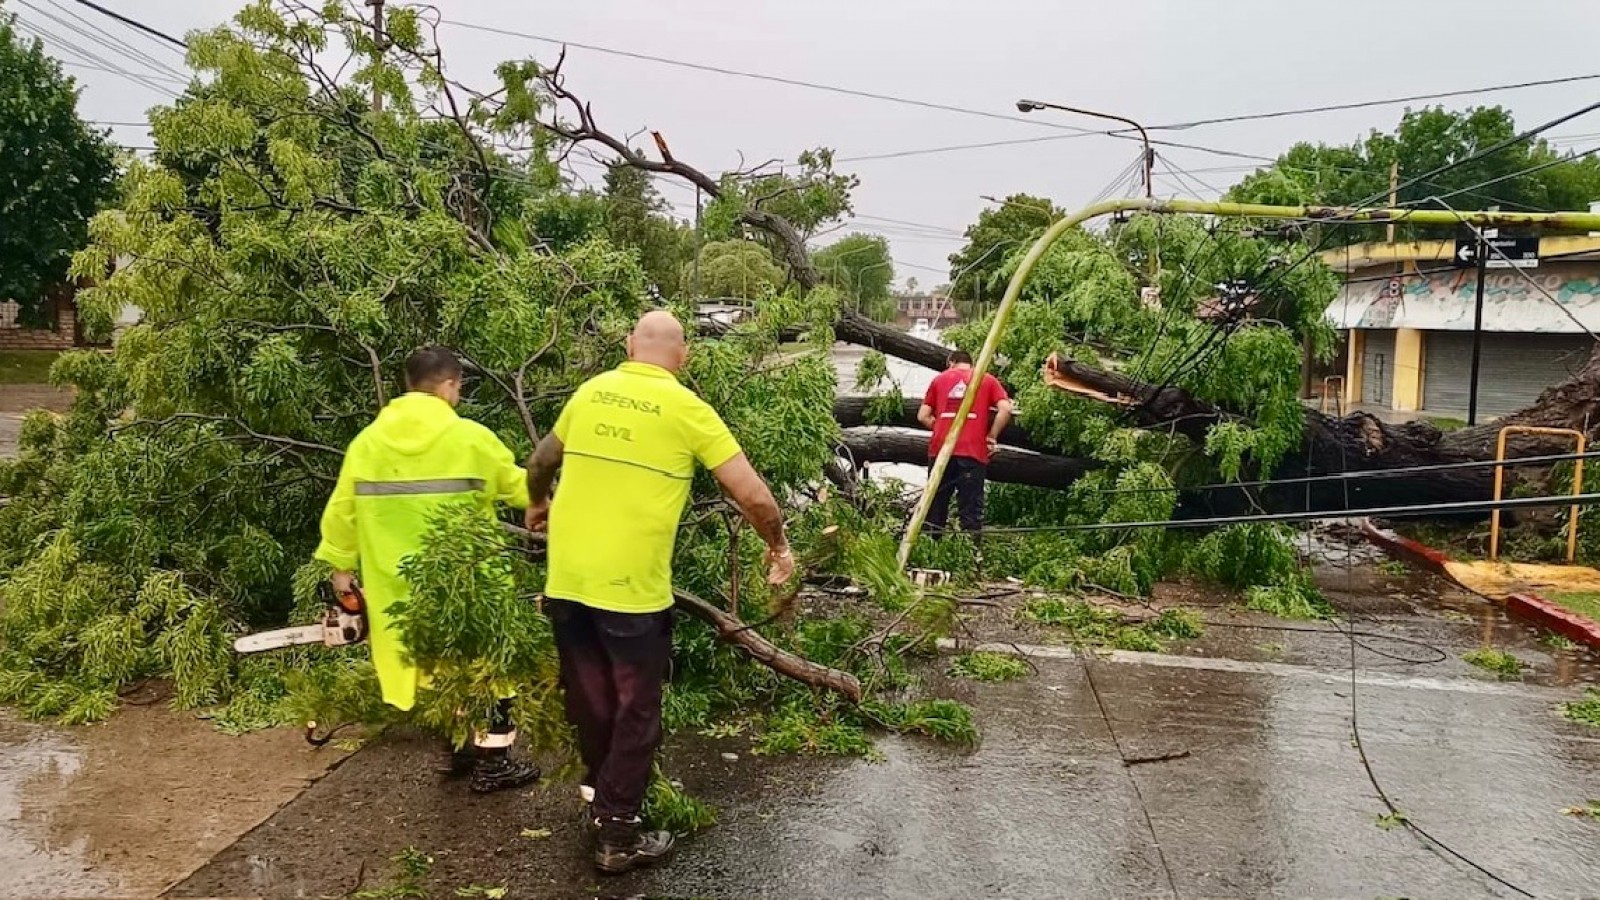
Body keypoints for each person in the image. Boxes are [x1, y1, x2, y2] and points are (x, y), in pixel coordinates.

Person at [524, 310, 792, 875]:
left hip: (567, 582)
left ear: (628, 345)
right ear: (684, 356)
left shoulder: (592, 391)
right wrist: (778, 546)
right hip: (631, 594)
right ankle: (618, 835)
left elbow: (542, 459)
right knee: (636, 711)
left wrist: (538, 502)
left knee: (591, 704)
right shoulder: (687, 408)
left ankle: (603, 803)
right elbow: (754, 496)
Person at [313, 346, 541, 794]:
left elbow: (341, 513)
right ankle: (493, 763)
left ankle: (457, 750)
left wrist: (341, 571)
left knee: (434, 669)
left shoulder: (368, 444)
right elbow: (518, 488)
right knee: (491, 669)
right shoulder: (470, 439)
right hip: (470, 582)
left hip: (399, 589)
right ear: (450, 385)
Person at [917, 349, 1014, 539]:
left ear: (951, 362)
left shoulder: (939, 380)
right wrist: (991, 436)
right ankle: (971, 556)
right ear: (970, 363)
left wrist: (940, 427)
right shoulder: (986, 379)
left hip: (941, 449)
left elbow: (922, 415)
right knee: (970, 510)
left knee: (935, 507)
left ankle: (930, 553)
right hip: (972, 451)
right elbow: (1006, 409)